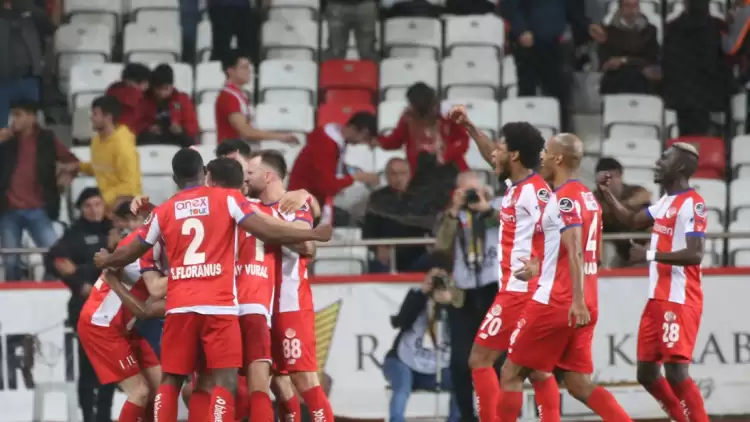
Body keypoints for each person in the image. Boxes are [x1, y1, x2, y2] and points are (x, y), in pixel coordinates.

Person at [92, 151, 332, 422]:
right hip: (226, 306)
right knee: (240, 382)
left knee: (176, 381)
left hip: (186, 306)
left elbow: (138, 246)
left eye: (251, 172)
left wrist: (108, 259)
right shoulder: (232, 202)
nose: (247, 177)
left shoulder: (170, 208)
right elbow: (269, 232)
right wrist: (311, 231)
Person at [497, 133, 632, 422]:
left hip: (560, 299)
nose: (541, 156)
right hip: (586, 296)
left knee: (510, 373)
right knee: (577, 384)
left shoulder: (564, 198)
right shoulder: (588, 197)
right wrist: (537, 264)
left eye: (546, 151)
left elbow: (575, 250)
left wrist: (576, 300)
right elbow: (576, 248)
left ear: (558, 158)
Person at [447, 106, 561, 422]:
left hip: (519, 292)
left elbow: (560, 233)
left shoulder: (535, 193)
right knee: (536, 371)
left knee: (479, 360)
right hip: (525, 291)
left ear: (513, 155)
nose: (493, 152)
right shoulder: (518, 186)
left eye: (500, 146)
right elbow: (489, 156)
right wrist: (470, 127)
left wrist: (538, 262)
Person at [596, 142, 708, 422]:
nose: (658, 163)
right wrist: (607, 194)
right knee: (646, 373)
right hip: (657, 298)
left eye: (665, 158)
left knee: (676, 372)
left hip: (680, 298)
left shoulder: (693, 203)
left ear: (680, 167)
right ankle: (680, 418)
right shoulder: (666, 202)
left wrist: (649, 254)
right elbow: (632, 219)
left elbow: (695, 254)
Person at [248, 149, 337, 422]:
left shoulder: (294, 205)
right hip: (260, 307)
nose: (246, 178)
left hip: (290, 304)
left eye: (250, 173)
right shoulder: (249, 207)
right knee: (270, 380)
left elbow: (307, 245)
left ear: (268, 175)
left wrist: (268, 225)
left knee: (304, 378)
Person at [77, 226, 166, 422]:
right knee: (140, 391)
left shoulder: (145, 238)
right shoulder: (150, 249)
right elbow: (150, 301)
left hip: (126, 325)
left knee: (160, 391)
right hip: (102, 325)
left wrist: (107, 261)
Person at [432, 171, 500, 420]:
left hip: (494, 291)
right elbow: (440, 246)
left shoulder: (497, 208)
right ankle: (467, 416)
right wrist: (454, 210)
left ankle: (497, 415)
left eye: (475, 190)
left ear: (485, 190)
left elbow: (511, 226)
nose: (472, 196)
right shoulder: (451, 216)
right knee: (460, 362)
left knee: (497, 361)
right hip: (462, 294)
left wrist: (486, 208)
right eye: (466, 191)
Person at [46, 188, 116, 422]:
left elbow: (120, 264)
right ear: (81, 209)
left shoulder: (113, 231)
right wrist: (80, 285)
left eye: (98, 204)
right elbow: (53, 259)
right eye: (88, 206)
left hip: (116, 308)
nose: (94, 210)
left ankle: (104, 416)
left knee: (111, 370)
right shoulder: (74, 234)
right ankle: (88, 417)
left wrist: (79, 270)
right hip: (85, 309)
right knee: (88, 369)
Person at [0, 99, 78, 281]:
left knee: (56, 255)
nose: (13, 120)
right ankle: (13, 296)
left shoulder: (47, 139)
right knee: (11, 260)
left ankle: (50, 286)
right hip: (9, 209)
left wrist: (63, 178)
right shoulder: (6, 140)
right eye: (13, 115)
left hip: (39, 209)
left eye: (18, 115)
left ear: (32, 117)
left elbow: (73, 162)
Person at [503, 0, 605, 132]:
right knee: (528, 93)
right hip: (528, 45)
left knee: (560, 95)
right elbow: (509, 6)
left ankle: (561, 137)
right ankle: (524, 138)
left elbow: (571, 9)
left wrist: (587, 25)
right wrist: (520, 30)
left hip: (555, 46)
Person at [384, 267, 460, 422]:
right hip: (403, 361)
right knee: (401, 388)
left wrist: (449, 304)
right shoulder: (417, 298)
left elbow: (462, 332)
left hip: (437, 368)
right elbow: (400, 322)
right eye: (434, 279)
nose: (437, 285)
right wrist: (421, 293)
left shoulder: (455, 305)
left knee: (462, 382)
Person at [662, 0, 732, 136]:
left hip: (683, 96)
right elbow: (725, 62)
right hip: (709, 96)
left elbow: (668, 62)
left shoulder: (672, 27)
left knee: (687, 140)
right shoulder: (718, 27)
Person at [287, 111, 380, 209]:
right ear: (363, 132)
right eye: (365, 138)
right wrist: (355, 178)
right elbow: (328, 186)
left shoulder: (333, 139)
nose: (361, 143)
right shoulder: (327, 145)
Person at [377, 83, 469, 175]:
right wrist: (377, 141)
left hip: (450, 169)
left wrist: (445, 155)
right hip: (419, 172)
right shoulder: (408, 118)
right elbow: (396, 140)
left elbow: (463, 141)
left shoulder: (449, 115)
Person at [215, 50, 299, 145]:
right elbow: (246, 132)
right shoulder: (228, 97)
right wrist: (281, 137)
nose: (249, 71)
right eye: (244, 68)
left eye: (249, 68)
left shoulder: (240, 95)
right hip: (232, 153)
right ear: (230, 71)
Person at [362, 157, 429, 273]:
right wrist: (377, 247)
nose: (399, 178)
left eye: (403, 173)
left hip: (416, 254)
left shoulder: (422, 198)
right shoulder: (377, 198)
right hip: (386, 256)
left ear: (410, 175)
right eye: (394, 174)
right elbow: (367, 232)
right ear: (387, 177)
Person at [78, 95, 142, 211]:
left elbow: (130, 185)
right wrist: (78, 167)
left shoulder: (122, 145)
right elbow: (100, 168)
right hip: (104, 204)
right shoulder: (96, 141)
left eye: (95, 114)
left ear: (108, 117)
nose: (91, 118)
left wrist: (103, 198)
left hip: (123, 205)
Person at [0, 0, 55, 127]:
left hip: (28, 78)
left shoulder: (30, 11)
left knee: (30, 126)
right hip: (3, 82)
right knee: (3, 126)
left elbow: (49, 26)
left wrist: (22, 5)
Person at [593, 157, 652, 267]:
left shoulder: (637, 191)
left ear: (620, 176)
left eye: (612, 177)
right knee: (606, 250)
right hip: (613, 246)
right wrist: (630, 204)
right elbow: (603, 215)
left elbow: (649, 220)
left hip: (640, 244)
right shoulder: (594, 198)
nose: (609, 182)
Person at [598, 0, 661, 95]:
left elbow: (651, 59)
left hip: (642, 80)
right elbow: (605, 60)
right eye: (627, 6)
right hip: (616, 80)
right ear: (620, 8)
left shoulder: (650, 31)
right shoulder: (608, 32)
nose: (632, 10)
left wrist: (624, 60)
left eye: (635, 6)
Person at [139, 64, 199, 147]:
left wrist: (181, 129)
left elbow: (193, 126)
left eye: (166, 88)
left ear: (172, 86)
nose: (162, 93)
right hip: (152, 138)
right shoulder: (144, 99)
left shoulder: (182, 99)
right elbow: (137, 122)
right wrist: (148, 128)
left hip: (177, 138)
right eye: (158, 89)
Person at [105, 63, 151, 134]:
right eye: (145, 83)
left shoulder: (113, 91)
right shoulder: (118, 96)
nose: (147, 86)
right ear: (130, 82)